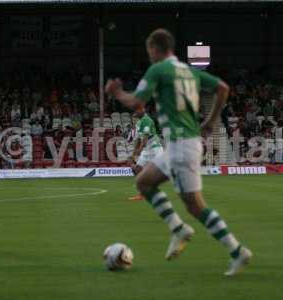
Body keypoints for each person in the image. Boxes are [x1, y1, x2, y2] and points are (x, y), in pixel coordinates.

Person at [105, 28, 252, 276]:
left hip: (181, 146)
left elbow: (136, 102)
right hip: (182, 144)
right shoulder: (189, 71)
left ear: (154, 48)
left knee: (195, 206)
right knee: (143, 182)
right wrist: (211, 121)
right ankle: (179, 229)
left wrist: (116, 92)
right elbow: (223, 88)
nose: (149, 55)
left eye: (149, 51)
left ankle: (237, 252)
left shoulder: (159, 69)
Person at [128, 105, 164, 201]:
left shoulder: (147, 120)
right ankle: (143, 193)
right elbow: (138, 140)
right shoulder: (138, 123)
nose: (135, 113)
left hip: (155, 148)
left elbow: (145, 138)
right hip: (146, 150)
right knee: (136, 169)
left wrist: (139, 151)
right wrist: (133, 154)